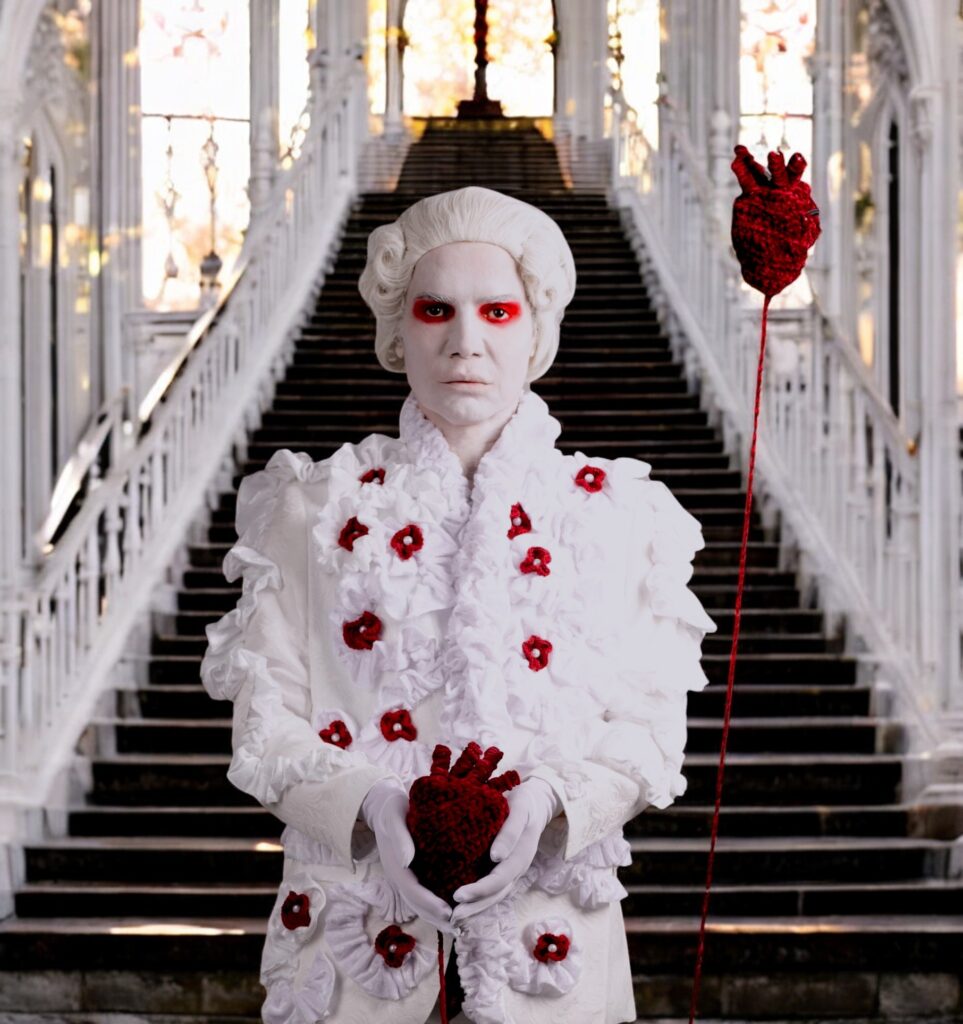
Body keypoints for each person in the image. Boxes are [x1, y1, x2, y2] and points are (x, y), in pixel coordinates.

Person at [200, 185, 718, 1024]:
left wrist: (547, 804)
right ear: (398, 329)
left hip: (551, 933)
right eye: (435, 309)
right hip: (356, 933)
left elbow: (649, 727)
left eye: (498, 312)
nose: (465, 341)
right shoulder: (312, 507)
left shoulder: (622, 516)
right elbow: (265, 722)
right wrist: (371, 806)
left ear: (535, 330)